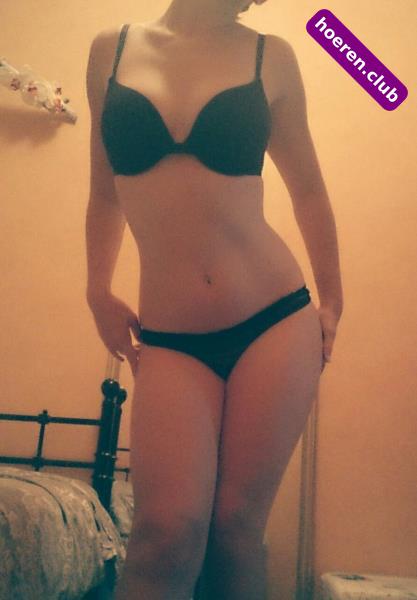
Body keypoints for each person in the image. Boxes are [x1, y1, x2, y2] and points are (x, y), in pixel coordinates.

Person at [85, 0, 343, 598]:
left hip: (273, 320)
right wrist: (97, 289)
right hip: (171, 339)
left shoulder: (270, 56)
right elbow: (104, 193)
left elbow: (308, 191)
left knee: (236, 531)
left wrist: (333, 301)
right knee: (163, 534)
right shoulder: (110, 50)